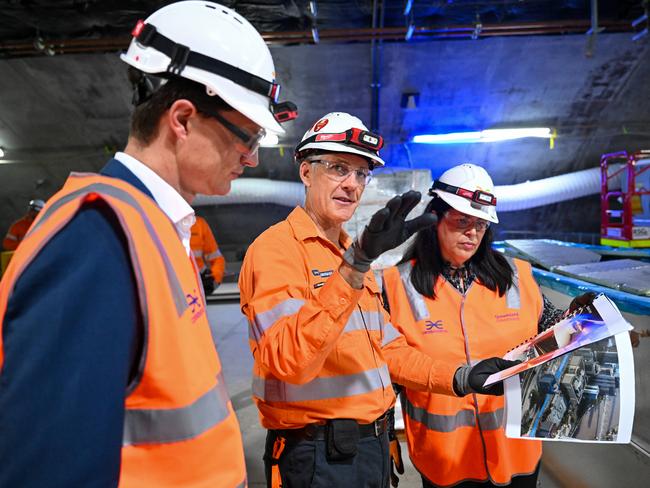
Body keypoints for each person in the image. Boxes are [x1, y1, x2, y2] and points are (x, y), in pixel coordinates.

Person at [0, 2, 296, 487]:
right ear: (181, 119)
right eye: (247, 135)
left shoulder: (153, 228)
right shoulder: (96, 240)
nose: (253, 157)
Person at [238, 113, 518, 488]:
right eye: (338, 168)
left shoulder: (350, 255)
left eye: (361, 174)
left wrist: (461, 377)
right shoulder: (275, 251)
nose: (352, 185)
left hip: (370, 448)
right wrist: (355, 266)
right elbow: (290, 361)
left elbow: (389, 350)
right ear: (306, 172)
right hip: (317, 458)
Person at [382, 163, 594, 488]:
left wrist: (580, 321)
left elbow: (549, 334)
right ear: (434, 218)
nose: (472, 233)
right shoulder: (397, 286)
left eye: (481, 224)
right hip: (445, 461)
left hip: (517, 454)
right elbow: (388, 374)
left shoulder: (516, 276)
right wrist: (382, 439)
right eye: (462, 221)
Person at [191, 216, 226, 294]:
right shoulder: (163, 223)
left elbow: (217, 259)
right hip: (171, 287)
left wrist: (213, 280)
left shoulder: (199, 224)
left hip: (198, 289)